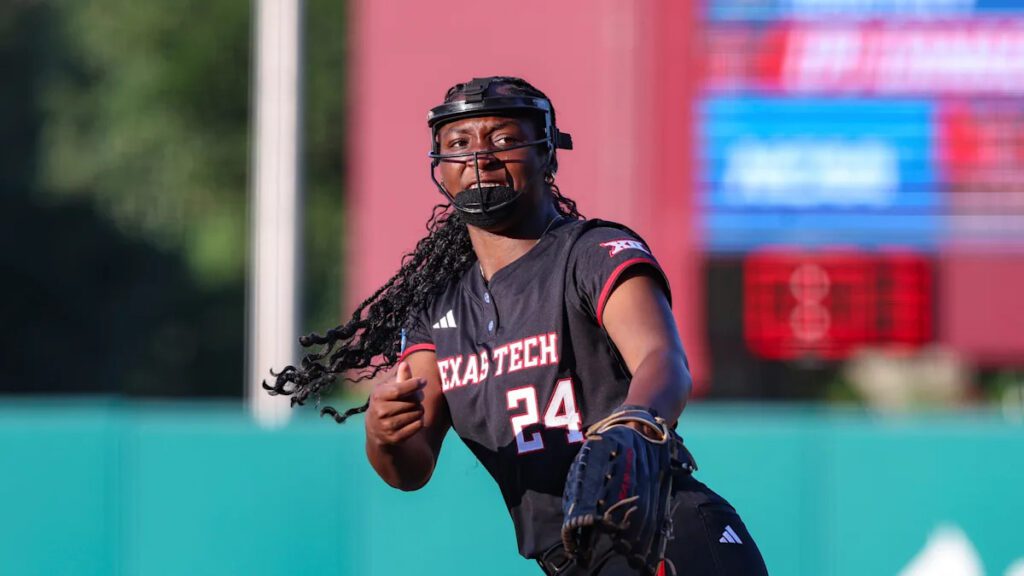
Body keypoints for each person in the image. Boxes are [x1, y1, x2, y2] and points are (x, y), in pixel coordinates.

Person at [266, 76, 768, 575]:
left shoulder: (591, 251)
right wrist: (383, 435)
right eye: (458, 143)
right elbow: (412, 468)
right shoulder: (437, 306)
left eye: (503, 139)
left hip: (666, 536)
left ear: (547, 153)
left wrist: (635, 422)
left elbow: (664, 360)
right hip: (569, 561)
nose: (479, 156)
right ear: (439, 166)